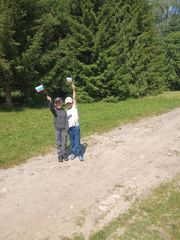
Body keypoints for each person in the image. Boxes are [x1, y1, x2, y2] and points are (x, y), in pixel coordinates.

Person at [65, 82, 84, 161]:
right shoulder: (66, 111)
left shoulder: (74, 107)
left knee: (77, 142)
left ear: (72, 103)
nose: (69, 104)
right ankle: (73, 153)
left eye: (70, 102)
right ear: (66, 104)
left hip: (76, 127)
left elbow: (74, 98)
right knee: (72, 142)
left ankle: (79, 154)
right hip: (70, 129)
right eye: (67, 103)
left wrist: (73, 89)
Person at [47, 95, 69, 162]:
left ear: (62, 103)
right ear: (55, 104)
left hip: (63, 130)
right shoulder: (55, 111)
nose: (58, 104)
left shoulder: (64, 111)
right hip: (57, 130)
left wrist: (66, 130)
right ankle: (60, 155)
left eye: (60, 103)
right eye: (57, 103)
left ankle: (64, 154)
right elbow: (51, 108)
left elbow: (66, 121)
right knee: (58, 143)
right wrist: (50, 101)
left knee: (64, 143)